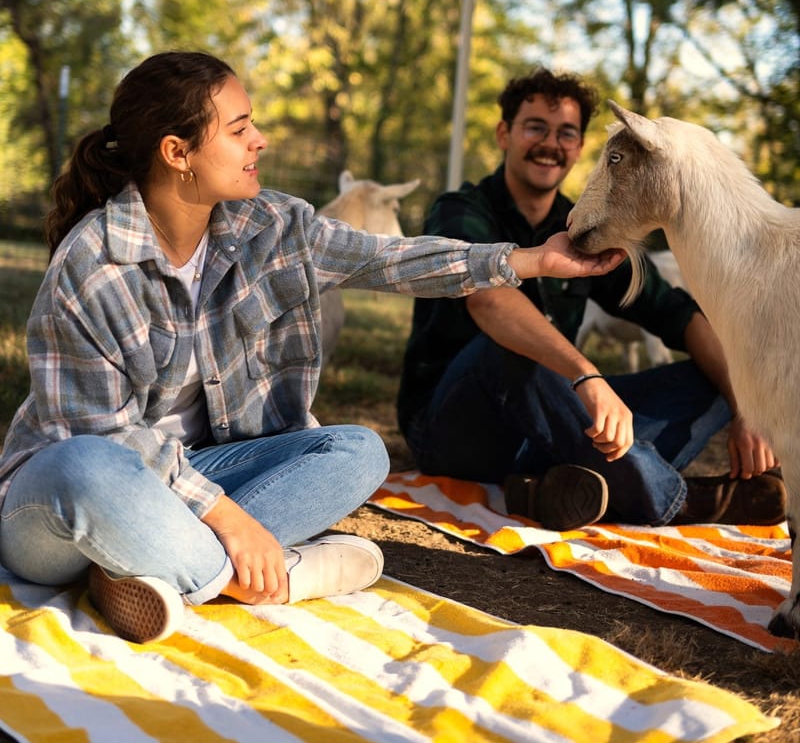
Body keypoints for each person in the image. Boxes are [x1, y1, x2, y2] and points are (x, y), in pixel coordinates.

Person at [0, 52, 625, 644]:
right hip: (70, 502)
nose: (260, 140)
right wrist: (229, 518)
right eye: (240, 128)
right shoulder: (94, 263)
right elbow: (101, 436)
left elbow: (390, 260)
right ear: (177, 152)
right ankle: (273, 576)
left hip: (203, 471)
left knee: (357, 450)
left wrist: (531, 259)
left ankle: (145, 566)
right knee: (82, 467)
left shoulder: (273, 226)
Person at [397, 67, 786, 532]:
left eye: (566, 133)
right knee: (511, 348)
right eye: (535, 127)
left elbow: (678, 315)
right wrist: (587, 376)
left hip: (550, 422)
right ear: (505, 133)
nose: (550, 143)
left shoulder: (583, 225)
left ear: (580, 147)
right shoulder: (460, 210)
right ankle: (678, 501)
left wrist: (747, 406)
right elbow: (489, 302)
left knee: (719, 377)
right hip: (456, 429)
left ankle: (548, 488)